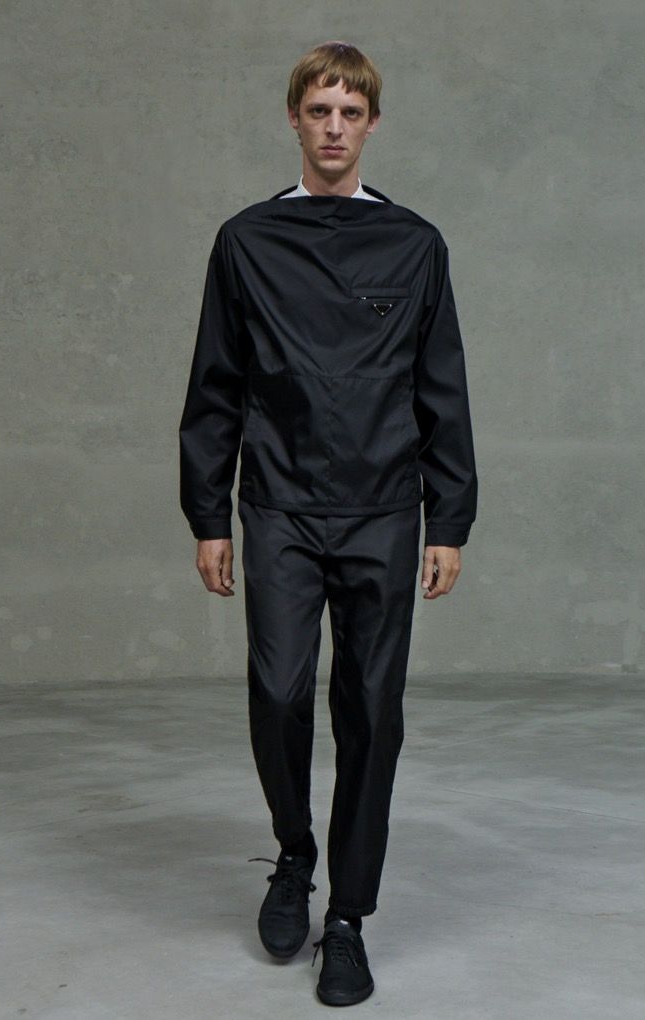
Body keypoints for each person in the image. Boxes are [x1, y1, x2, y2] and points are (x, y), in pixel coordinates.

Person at [178, 40, 477, 1008]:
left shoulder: (414, 244)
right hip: (277, 506)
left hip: (384, 510)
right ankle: (294, 855)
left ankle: (346, 917)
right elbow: (215, 386)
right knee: (277, 694)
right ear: (295, 119)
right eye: (320, 111)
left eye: (351, 112)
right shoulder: (247, 240)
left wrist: (449, 518)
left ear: (373, 124)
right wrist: (208, 513)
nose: (335, 127)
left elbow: (440, 388)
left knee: (372, 712)